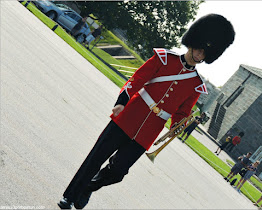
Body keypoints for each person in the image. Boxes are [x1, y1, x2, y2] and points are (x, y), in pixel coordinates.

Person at [57, 13, 235, 209]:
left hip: (148, 132)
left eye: (204, 54)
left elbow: (183, 112)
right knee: (95, 158)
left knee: (118, 172)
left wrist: (179, 124)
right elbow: (137, 79)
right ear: (192, 43)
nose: (200, 56)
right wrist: (122, 101)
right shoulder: (164, 58)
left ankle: (88, 187)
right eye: (199, 50)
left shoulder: (195, 85)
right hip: (127, 116)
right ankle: (70, 196)